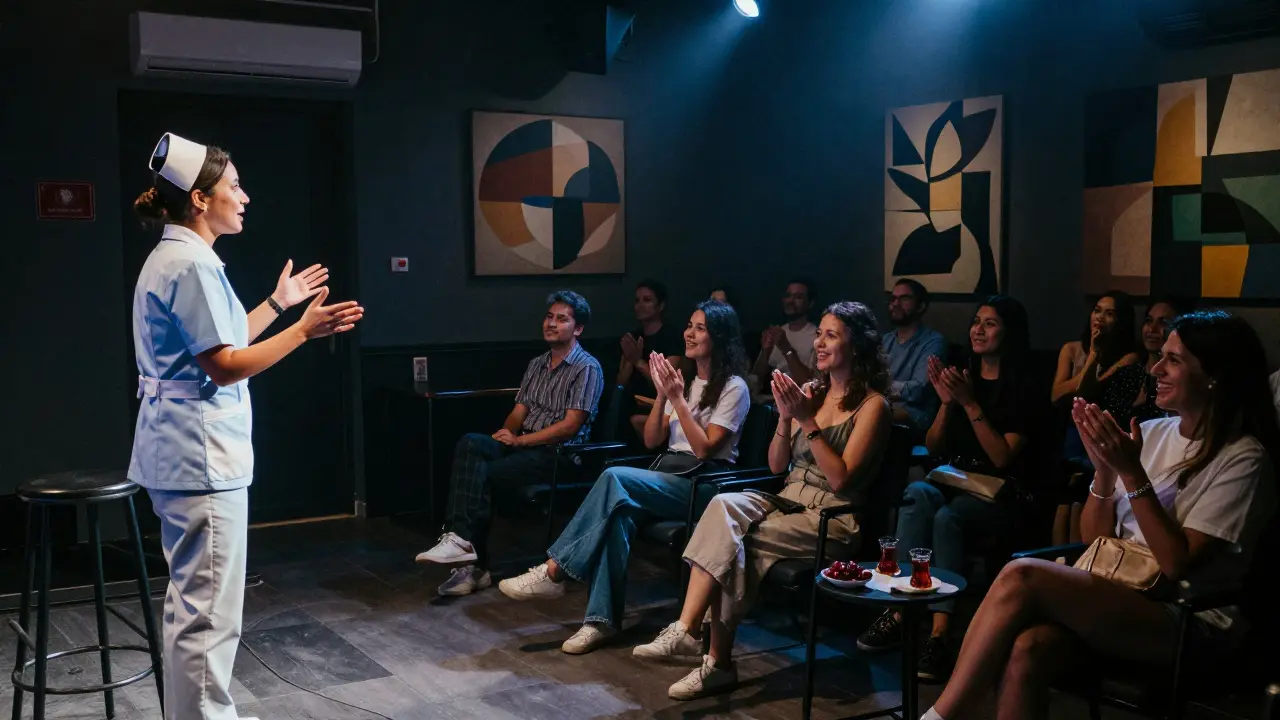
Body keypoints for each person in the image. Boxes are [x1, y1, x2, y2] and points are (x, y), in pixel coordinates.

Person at [920, 310, 1279, 720]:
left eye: (1174, 360)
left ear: (1214, 375)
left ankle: (941, 716)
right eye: (1160, 356)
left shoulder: (1244, 458)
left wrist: (1130, 471)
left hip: (1190, 620)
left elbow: (1177, 564)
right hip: (1125, 595)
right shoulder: (1157, 431)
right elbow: (1096, 539)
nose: (1156, 368)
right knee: (1029, 648)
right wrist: (1106, 474)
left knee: (1021, 574)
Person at [129, 132, 364, 720]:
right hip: (198, 457)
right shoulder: (190, 264)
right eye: (234, 185)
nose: (246, 196)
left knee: (193, 608)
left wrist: (278, 304)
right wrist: (303, 331)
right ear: (201, 200)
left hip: (180, 451)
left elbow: (219, 339)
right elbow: (226, 364)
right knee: (209, 616)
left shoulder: (179, 257)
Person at [633, 302, 892, 700]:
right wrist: (786, 419)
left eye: (831, 335)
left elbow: (841, 480)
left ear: (857, 346)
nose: (819, 344)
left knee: (736, 545)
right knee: (722, 506)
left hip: (832, 517)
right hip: (788, 498)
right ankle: (685, 630)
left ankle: (717, 664)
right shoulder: (812, 392)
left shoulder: (873, 406)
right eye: (819, 334)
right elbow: (777, 465)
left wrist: (806, 420)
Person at [496, 301, 750, 655]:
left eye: (700, 328)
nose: (689, 334)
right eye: (689, 325)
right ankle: (600, 621)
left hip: (706, 485)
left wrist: (676, 399)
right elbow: (651, 441)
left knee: (614, 475)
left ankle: (556, 570)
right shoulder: (685, 382)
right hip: (670, 474)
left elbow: (706, 449)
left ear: (720, 337)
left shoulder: (735, 387)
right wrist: (664, 394)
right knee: (618, 516)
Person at [856, 295, 1035, 682]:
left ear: (1010, 331)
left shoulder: (1023, 384)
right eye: (976, 321)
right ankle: (900, 610)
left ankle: (941, 633)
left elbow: (1003, 457)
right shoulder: (962, 372)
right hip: (956, 480)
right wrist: (946, 405)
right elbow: (935, 447)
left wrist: (970, 403)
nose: (978, 329)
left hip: (1002, 492)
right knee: (917, 493)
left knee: (948, 517)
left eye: (990, 323)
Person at [415, 291, 605, 596]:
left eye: (561, 319)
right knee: (472, 444)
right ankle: (458, 539)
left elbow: (569, 427)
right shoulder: (537, 364)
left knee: (485, 474)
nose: (551, 324)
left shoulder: (587, 367)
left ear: (578, 328)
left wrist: (519, 441)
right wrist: (505, 435)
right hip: (525, 444)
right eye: (549, 317)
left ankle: (472, 567)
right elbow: (518, 413)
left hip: (560, 455)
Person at [617, 280, 685, 437]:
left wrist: (638, 362)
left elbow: (667, 387)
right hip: (631, 401)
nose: (640, 305)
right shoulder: (634, 337)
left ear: (661, 305)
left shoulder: (672, 337)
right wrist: (629, 361)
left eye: (647, 300)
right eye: (637, 300)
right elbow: (620, 382)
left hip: (658, 404)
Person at [883, 278, 948, 436]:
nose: (896, 304)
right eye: (893, 298)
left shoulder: (933, 342)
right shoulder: (885, 340)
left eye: (904, 298)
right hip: (884, 406)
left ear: (921, 306)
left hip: (915, 417)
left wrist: (879, 387)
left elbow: (919, 389)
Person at [1132, 296, 1195, 424]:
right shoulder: (1127, 373)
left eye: (1163, 322)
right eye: (1149, 320)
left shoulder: (1180, 384)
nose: (1151, 329)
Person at [751, 278, 818, 389]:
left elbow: (809, 383)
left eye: (798, 297)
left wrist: (787, 349)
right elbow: (755, 379)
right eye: (788, 296)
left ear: (810, 303)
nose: (790, 301)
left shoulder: (816, 336)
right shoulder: (778, 331)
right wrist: (765, 351)